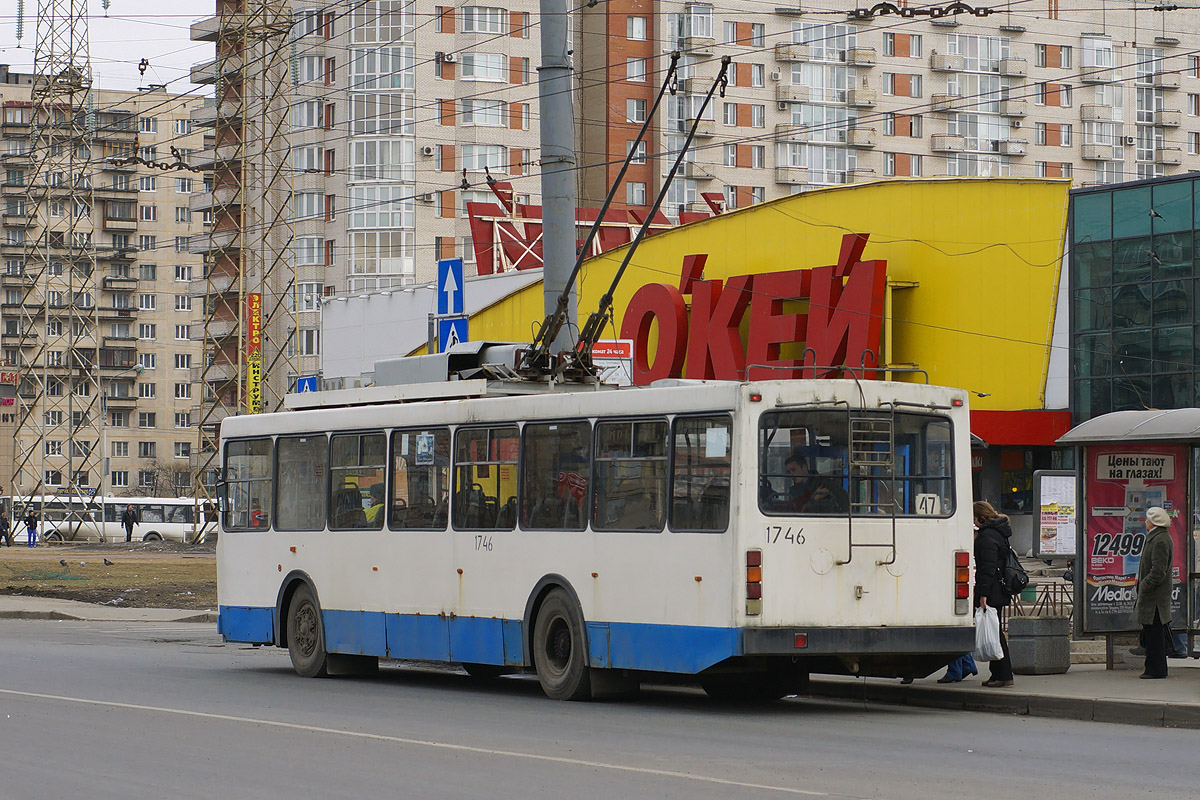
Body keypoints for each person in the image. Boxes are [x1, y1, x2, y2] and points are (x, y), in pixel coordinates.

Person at [973, 500, 1014, 688]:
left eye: (973, 517)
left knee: (994, 632)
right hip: (997, 587)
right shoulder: (997, 532)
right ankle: (997, 672)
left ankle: (1003, 674)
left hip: (992, 590)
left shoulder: (987, 536)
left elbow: (987, 568)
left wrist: (983, 594)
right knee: (994, 630)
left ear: (981, 517)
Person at [1135, 506, 1174, 679]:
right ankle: (1153, 667)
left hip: (1155, 597)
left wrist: (1144, 585)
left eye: (1147, 519)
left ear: (1154, 522)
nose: (1145, 521)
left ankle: (1156, 669)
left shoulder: (1160, 540)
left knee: (1155, 634)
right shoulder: (1155, 538)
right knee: (1152, 632)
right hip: (1153, 596)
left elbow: (1158, 571)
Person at [782, 453, 848, 514]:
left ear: (804, 468)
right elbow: (796, 512)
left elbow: (845, 504)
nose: (791, 474)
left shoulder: (825, 483)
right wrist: (814, 499)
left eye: (793, 470)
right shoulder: (793, 490)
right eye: (788, 472)